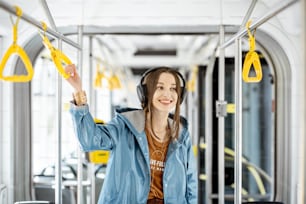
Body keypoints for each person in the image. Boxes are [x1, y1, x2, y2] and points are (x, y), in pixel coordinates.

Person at [65, 64, 198, 204]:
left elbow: (191, 182)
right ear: (145, 93)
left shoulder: (182, 135)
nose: (167, 94)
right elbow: (88, 140)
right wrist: (78, 91)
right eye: (160, 87)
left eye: (173, 89)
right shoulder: (124, 126)